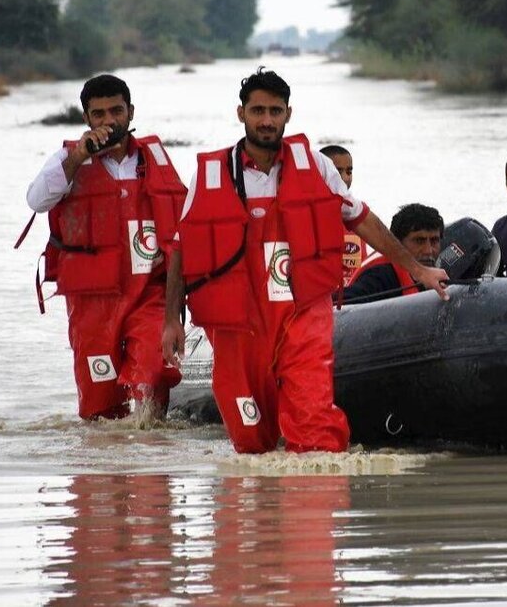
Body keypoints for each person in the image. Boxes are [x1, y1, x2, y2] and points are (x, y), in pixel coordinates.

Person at [161, 67, 449, 454]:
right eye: (258, 110)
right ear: (240, 113)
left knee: (315, 431)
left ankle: (314, 504)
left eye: (275, 111)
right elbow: (182, 247)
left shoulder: (317, 166)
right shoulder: (211, 176)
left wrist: (419, 271)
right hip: (238, 324)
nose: (266, 120)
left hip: (303, 312)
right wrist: (170, 321)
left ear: (288, 114)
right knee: (250, 441)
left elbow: (364, 220)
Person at [24, 74, 188, 421]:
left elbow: (183, 227)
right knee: (100, 408)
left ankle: (152, 464)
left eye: (116, 111)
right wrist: (78, 156)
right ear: (87, 118)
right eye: (98, 114)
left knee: (153, 374)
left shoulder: (153, 158)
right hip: (91, 304)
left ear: (130, 112)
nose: (108, 121)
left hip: (149, 294)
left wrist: (180, 309)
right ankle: (105, 470)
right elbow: (36, 200)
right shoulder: (67, 160)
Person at [344, 203, 444, 303]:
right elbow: (344, 305)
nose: (429, 251)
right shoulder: (379, 276)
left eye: (434, 241)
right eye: (419, 241)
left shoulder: (441, 272)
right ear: (397, 243)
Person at [320, 144, 367, 285]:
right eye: (337, 171)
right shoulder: (304, 215)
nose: (345, 178)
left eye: (349, 171)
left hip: (355, 300)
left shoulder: (359, 216)